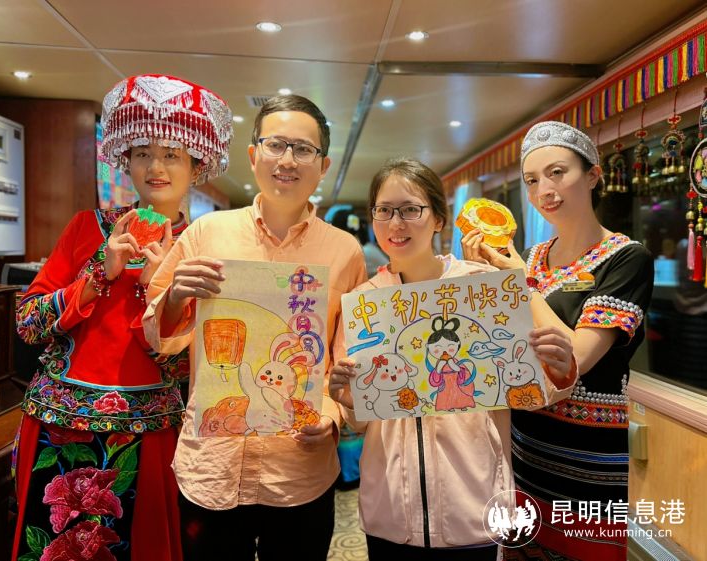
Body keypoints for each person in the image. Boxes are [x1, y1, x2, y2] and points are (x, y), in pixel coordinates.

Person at [11, 74, 233, 561]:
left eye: (172, 154)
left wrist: (161, 291)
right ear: (125, 161)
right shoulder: (87, 228)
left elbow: (199, 364)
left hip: (151, 433)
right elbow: (28, 323)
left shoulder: (206, 248)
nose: (156, 167)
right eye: (142, 153)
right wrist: (100, 272)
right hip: (59, 427)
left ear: (196, 165)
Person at [142, 94, 367, 561]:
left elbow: (346, 354)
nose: (288, 160)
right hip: (212, 465)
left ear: (323, 166)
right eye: (275, 145)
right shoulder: (207, 233)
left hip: (299, 468)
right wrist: (177, 295)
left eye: (303, 149)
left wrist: (331, 415)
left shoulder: (345, 251)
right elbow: (159, 336)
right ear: (253, 154)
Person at [329, 157, 578, 561]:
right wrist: (346, 398)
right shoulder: (363, 304)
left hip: (474, 506)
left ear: (439, 219)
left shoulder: (482, 287)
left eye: (411, 209)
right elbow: (360, 418)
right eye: (384, 210)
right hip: (390, 510)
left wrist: (559, 368)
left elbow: (530, 387)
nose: (396, 223)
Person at [462, 121, 654, 561]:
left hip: (588, 454)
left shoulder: (626, 258)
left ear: (593, 175)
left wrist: (517, 283)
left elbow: (579, 358)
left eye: (557, 172)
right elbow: (498, 346)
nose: (544, 190)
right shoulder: (530, 257)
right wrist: (482, 281)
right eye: (532, 180)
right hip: (524, 445)